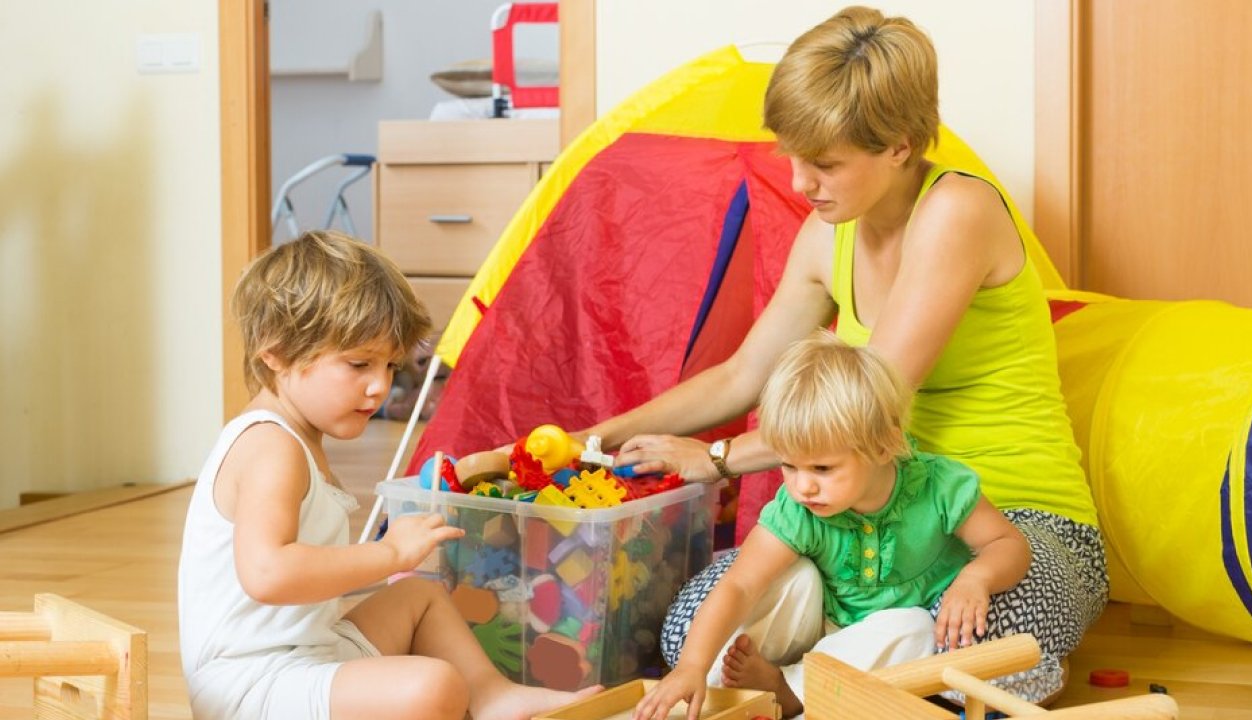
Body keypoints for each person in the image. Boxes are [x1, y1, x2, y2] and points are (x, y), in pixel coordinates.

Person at [583, 6, 1107, 703]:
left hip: (1012, 524)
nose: (802, 183)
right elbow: (741, 375)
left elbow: (867, 405)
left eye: (826, 163)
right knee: (689, 634)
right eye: (793, 157)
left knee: (984, 642)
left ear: (899, 146)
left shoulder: (957, 211)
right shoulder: (826, 233)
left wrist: (717, 458)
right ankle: (848, 679)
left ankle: (826, 682)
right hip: (866, 526)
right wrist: (594, 439)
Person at [177, 230, 597, 720]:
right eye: (359, 363)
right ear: (277, 353)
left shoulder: (297, 438)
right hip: (249, 687)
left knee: (420, 596)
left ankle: (494, 697)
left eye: (390, 365)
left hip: (305, 653)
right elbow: (269, 574)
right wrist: (389, 553)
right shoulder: (271, 447)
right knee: (433, 686)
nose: (379, 386)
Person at [631, 332, 1031, 720]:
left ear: (883, 446)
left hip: (876, 643)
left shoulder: (938, 487)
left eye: (822, 468)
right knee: (792, 575)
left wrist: (976, 578)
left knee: (916, 629)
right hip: (819, 625)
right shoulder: (799, 507)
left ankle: (790, 692)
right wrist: (692, 665)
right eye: (789, 465)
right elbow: (740, 585)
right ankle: (724, 692)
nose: (802, 486)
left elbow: (1008, 543)